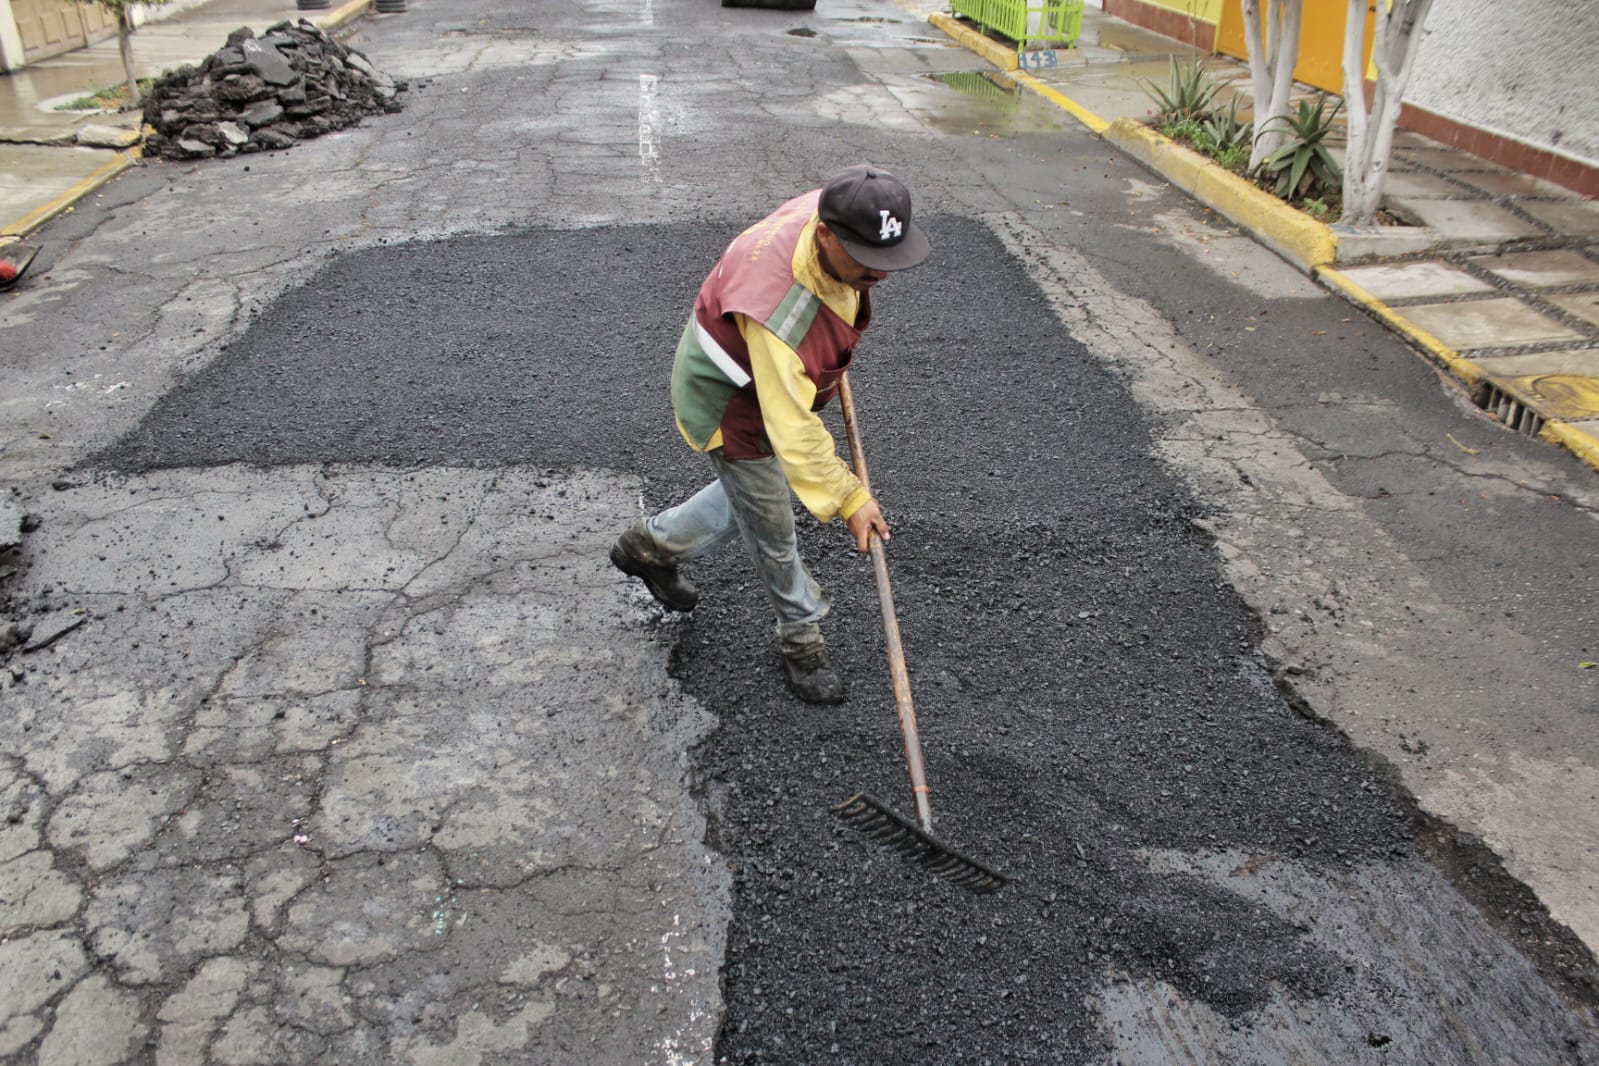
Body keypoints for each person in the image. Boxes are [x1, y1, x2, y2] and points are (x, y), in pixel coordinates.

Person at [610, 164, 931, 704]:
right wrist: (850, 497)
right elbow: (794, 431)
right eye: (869, 263)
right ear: (826, 236)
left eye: (887, 260)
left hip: (763, 381)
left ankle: (649, 546)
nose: (882, 276)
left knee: (755, 502)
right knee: (774, 532)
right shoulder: (780, 317)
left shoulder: (830, 212)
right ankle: (802, 643)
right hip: (734, 404)